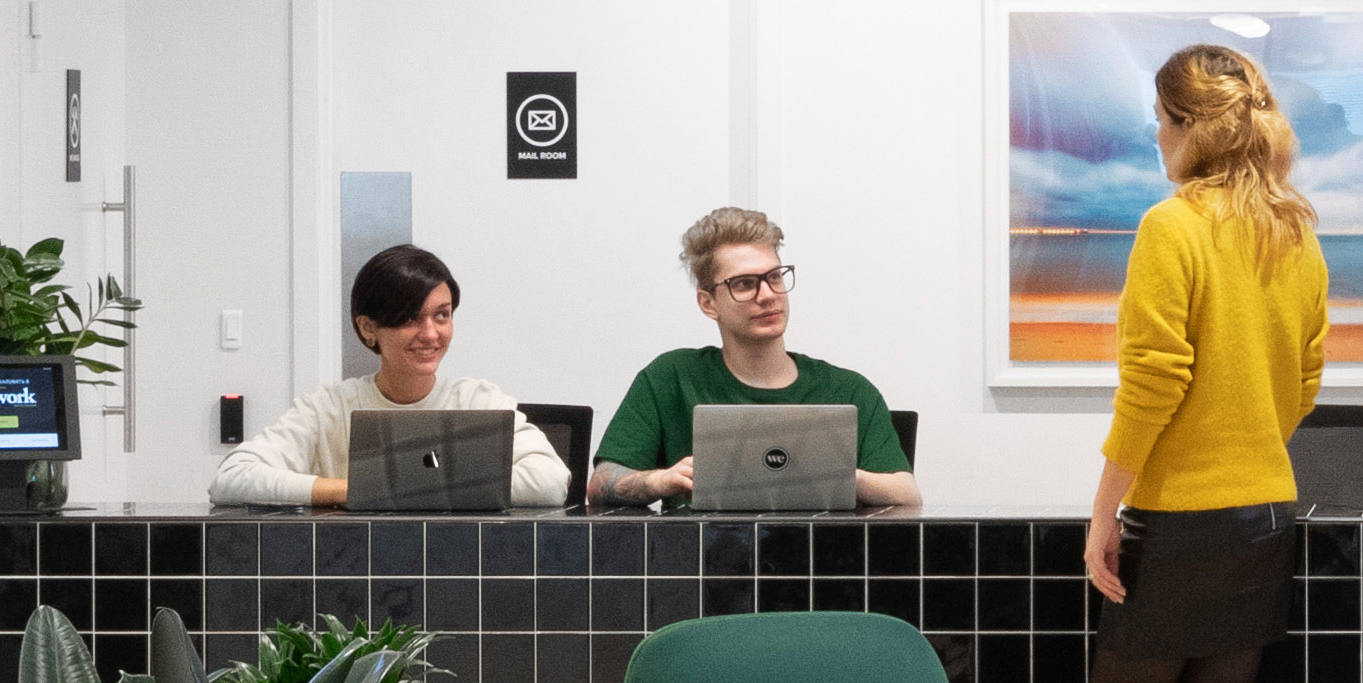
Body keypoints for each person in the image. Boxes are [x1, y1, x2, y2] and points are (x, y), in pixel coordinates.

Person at [1081, 42, 1332, 683]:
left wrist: (1106, 508)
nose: (1156, 137)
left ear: (1189, 128)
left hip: (1182, 520)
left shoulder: (1172, 225)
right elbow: (1306, 378)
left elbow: (1153, 379)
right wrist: (1250, 443)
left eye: (1161, 120)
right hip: (1266, 511)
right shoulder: (1294, 231)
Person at [587, 205, 923, 508]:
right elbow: (601, 482)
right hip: (700, 552)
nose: (768, 295)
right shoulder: (671, 377)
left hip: (818, 553)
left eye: (774, 277)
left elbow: (907, 494)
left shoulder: (848, 389)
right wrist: (660, 481)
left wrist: (836, 475)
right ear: (708, 303)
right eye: (745, 284)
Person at [212, 242, 567, 509]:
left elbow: (551, 482)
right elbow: (232, 478)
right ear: (368, 328)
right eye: (411, 318)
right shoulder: (328, 408)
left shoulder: (479, 401)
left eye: (442, 315)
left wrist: (396, 489)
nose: (430, 334)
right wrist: (353, 490)